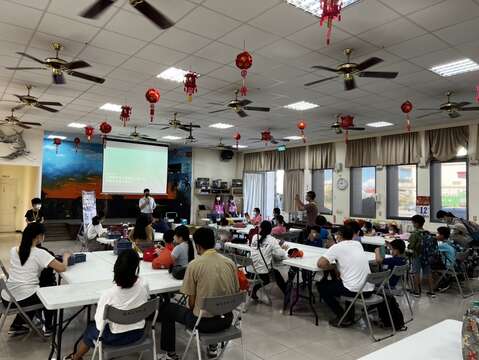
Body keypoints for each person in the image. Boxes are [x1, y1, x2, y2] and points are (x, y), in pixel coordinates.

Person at [158, 227, 239, 359]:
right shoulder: (230, 263)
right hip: (227, 319)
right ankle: (213, 346)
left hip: (203, 323)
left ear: (198, 246)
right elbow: (235, 292)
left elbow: (191, 304)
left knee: (168, 308)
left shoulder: (195, 265)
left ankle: (170, 354)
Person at [64, 250, 149, 360]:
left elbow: (100, 325)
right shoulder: (144, 284)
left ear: (116, 268)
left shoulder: (109, 294)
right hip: (138, 333)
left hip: (114, 338)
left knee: (91, 328)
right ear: (137, 266)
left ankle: (75, 357)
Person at [1, 223, 70, 336]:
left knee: (33, 289)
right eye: (43, 235)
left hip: (6, 297)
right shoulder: (40, 253)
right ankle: (48, 327)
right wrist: (66, 257)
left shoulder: (14, 250)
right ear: (38, 236)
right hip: (21, 299)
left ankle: (18, 325)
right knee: (49, 291)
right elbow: (62, 268)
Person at [317, 225, 374, 327]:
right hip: (368, 289)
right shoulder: (357, 244)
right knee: (344, 282)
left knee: (321, 287)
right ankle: (349, 314)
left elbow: (320, 264)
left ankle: (343, 315)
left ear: (338, 236)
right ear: (352, 235)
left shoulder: (336, 247)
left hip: (355, 290)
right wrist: (336, 267)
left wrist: (333, 266)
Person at [250, 221, 287, 301]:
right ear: (270, 230)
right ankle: (287, 293)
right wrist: (281, 248)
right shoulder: (272, 240)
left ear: (260, 228)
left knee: (274, 274)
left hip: (253, 267)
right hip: (264, 270)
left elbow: (261, 246)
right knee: (276, 274)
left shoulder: (254, 237)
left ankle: (254, 290)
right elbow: (281, 254)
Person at [407, 215, 436, 298]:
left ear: (416, 223)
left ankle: (417, 291)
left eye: (413, 222)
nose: (412, 224)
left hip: (417, 255)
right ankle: (431, 292)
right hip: (426, 256)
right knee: (428, 273)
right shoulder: (427, 232)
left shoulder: (415, 234)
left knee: (416, 273)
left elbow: (411, 246)